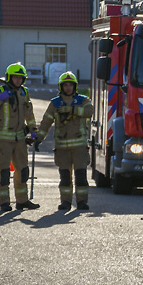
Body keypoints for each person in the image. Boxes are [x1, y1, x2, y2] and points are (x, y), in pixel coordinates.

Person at [0, 62, 39, 212]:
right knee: (4, 172)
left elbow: (30, 114)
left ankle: (22, 201)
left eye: (20, 78)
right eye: (15, 77)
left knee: (23, 171)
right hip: (3, 140)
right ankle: (4, 203)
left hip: (20, 140)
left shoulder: (24, 93)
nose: (18, 80)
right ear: (9, 77)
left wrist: (34, 131)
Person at [35, 72, 94, 210]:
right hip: (62, 148)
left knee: (81, 177)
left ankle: (82, 202)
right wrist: (39, 139)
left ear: (75, 86)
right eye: (66, 85)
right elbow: (46, 122)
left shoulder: (83, 100)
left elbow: (89, 112)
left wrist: (72, 110)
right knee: (65, 178)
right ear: (61, 87)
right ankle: (65, 202)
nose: (68, 88)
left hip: (79, 147)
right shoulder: (55, 103)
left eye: (71, 85)